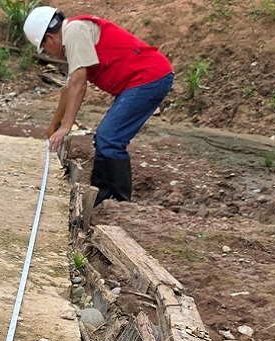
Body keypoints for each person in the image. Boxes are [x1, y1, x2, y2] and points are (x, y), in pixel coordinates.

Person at [23, 6, 174, 206]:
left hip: (149, 78)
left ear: (49, 39)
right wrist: (54, 124)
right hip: (143, 80)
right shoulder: (73, 35)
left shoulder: (74, 32)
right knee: (108, 137)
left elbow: (79, 82)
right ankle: (104, 198)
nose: (49, 53)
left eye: (44, 49)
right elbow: (68, 88)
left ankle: (116, 202)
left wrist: (66, 127)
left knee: (109, 138)